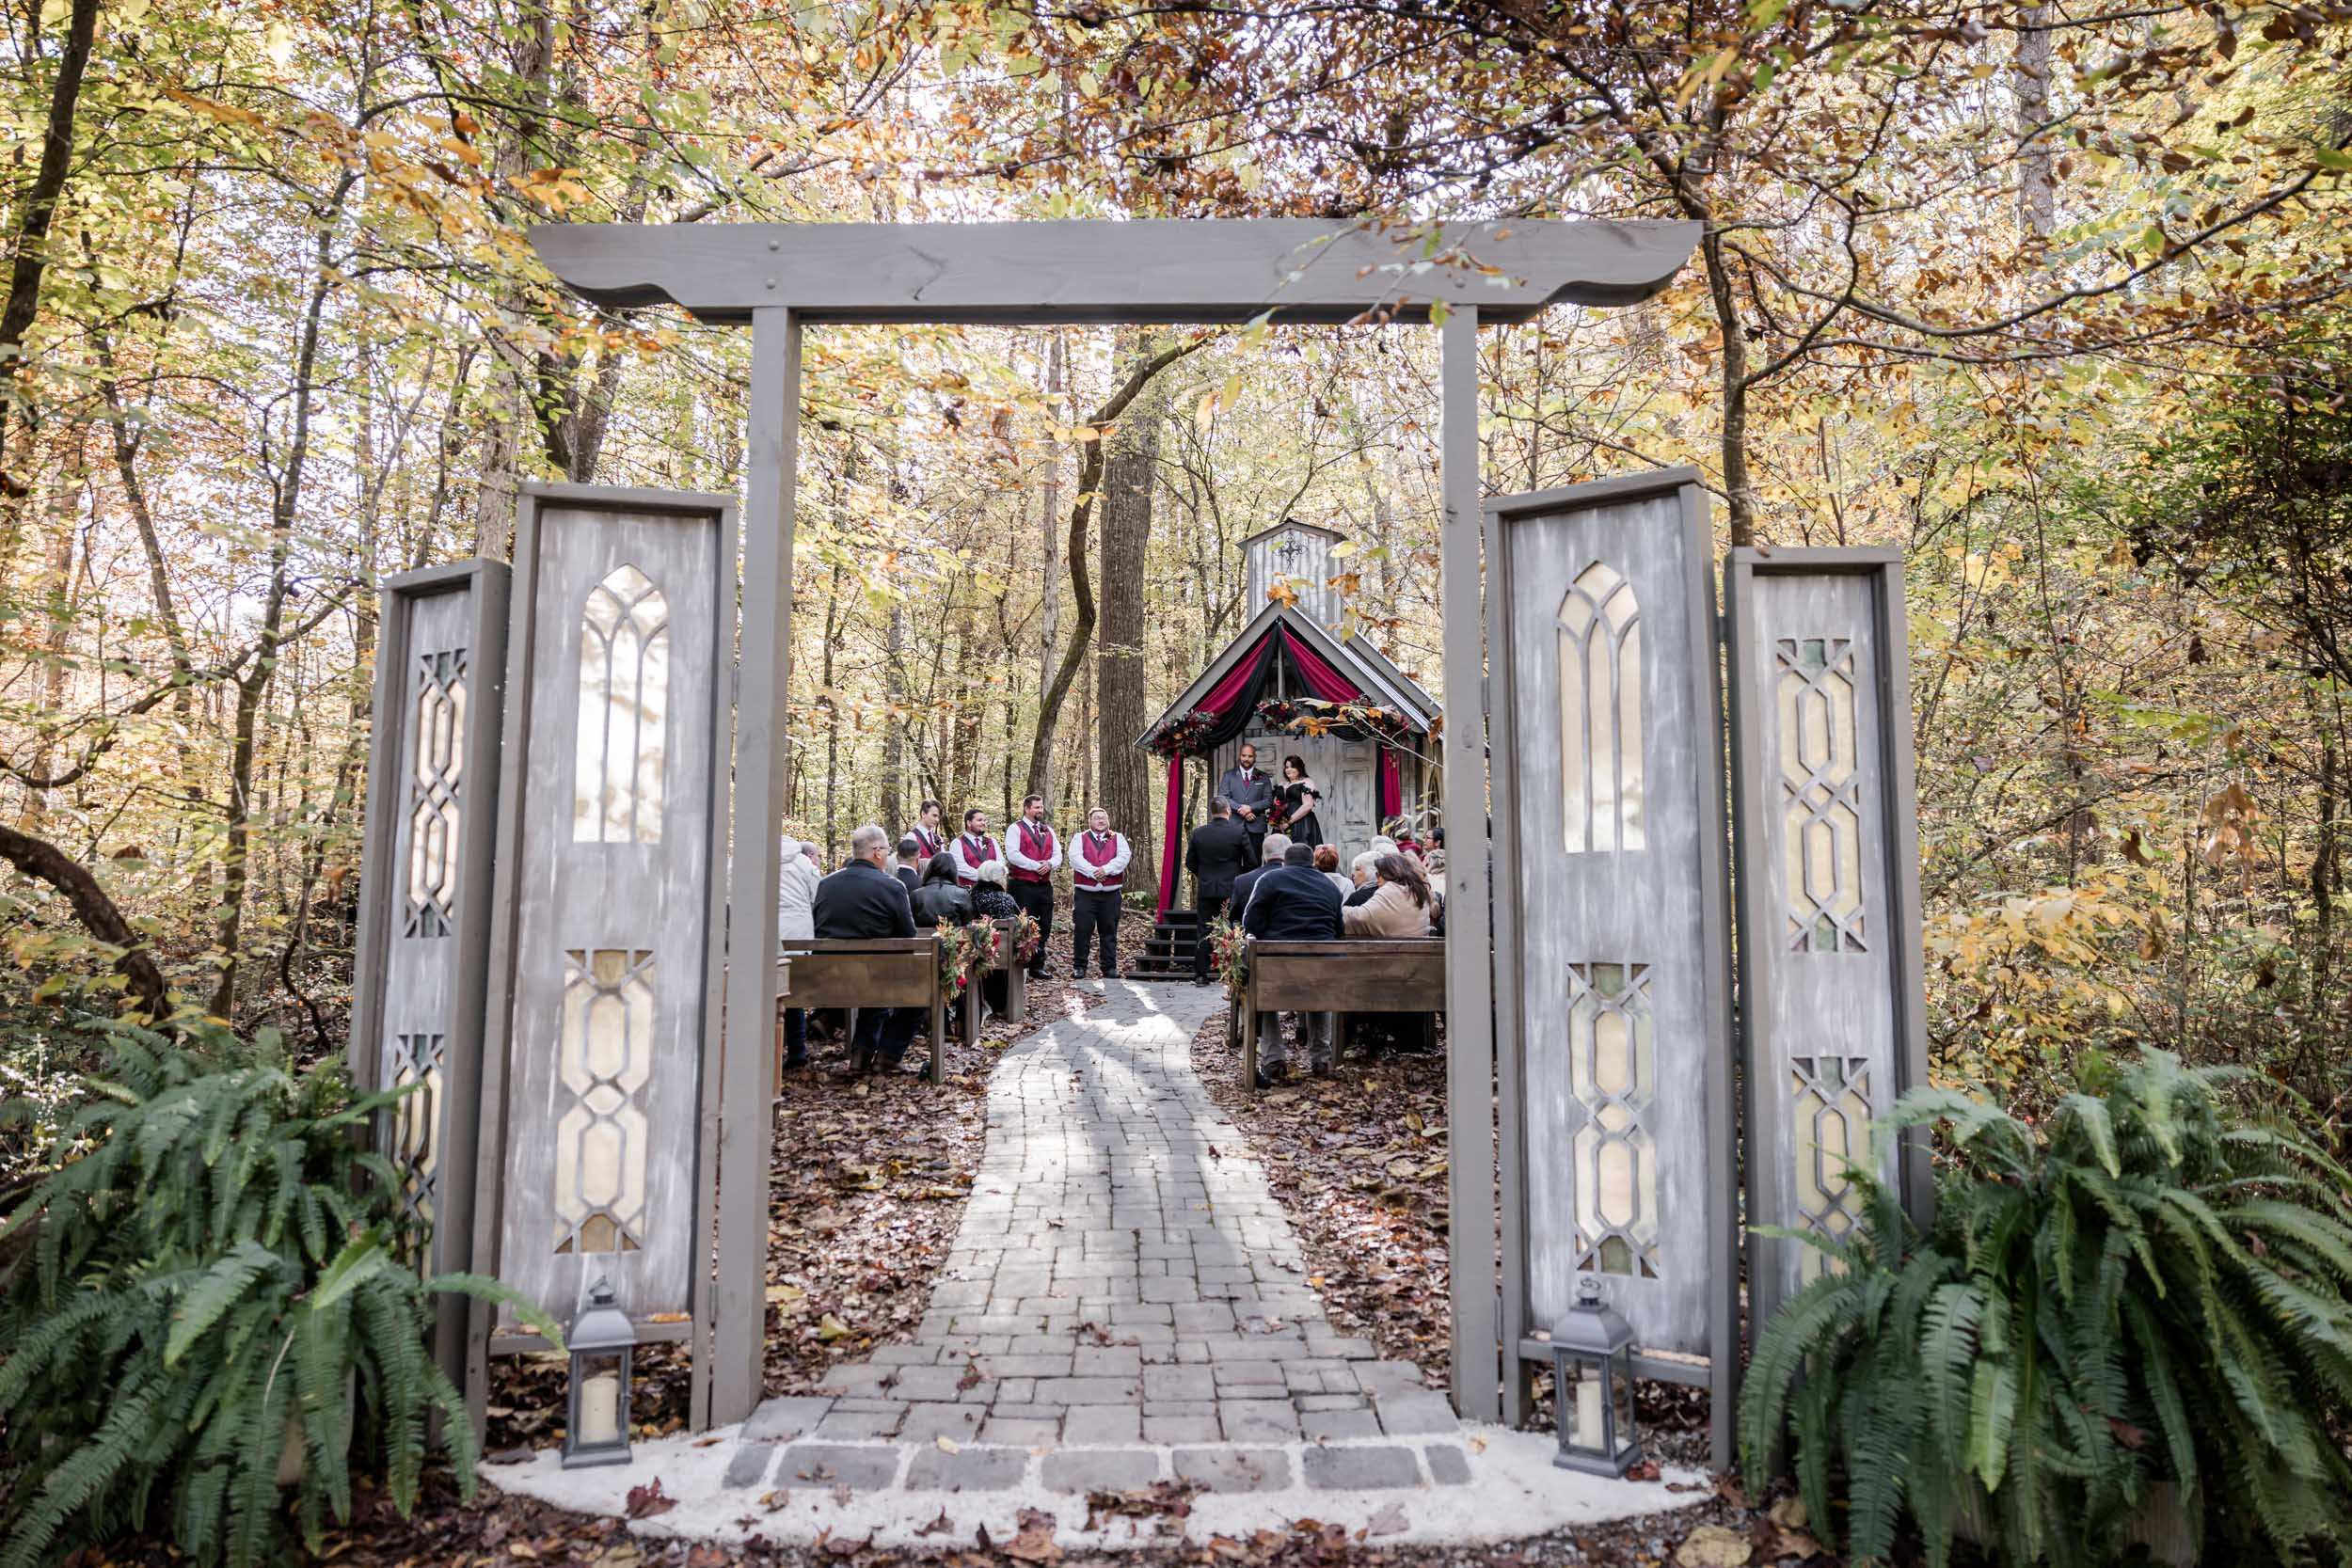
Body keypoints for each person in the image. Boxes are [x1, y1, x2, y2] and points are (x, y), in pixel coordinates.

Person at [811, 824, 920, 1072]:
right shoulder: (892, 886)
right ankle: (887, 1056)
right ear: (878, 852)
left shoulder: (826, 884)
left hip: (825, 976)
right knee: (919, 993)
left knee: (874, 985)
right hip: (875, 974)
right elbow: (908, 936)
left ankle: (861, 1055)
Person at [1240, 842, 1343, 1086]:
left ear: (1285, 861)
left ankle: (1274, 1058)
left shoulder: (1269, 881)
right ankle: (1321, 1057)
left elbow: (1251, 923)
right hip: (1322, 970)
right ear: (1312, 862)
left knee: (1261, 988)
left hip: (1278, 968)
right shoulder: (1331, 887)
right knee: (1319, 988)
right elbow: (1339, 929)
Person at [1185, 796, 1249, 985]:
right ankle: (1234, 971)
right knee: (1234, 927)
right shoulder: (1238, 832)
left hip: (1207, 887)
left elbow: (1190, 862)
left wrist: (1204, 875)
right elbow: (1252, 861)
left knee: (1204, 930)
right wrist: (1240, 877)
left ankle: (1201, 975)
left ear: (1212, 812)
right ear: (1228, 810)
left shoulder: (1199, 833)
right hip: (1232, 887)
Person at [775, 834, 823, 1069]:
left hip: (768, 932)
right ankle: (796, 1050)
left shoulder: (759, 860)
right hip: (799, 935)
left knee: (768, 992)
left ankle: (768, 1047)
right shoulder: (803, 864)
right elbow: (818, 897)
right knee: (794, 993)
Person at [1069, 806, 1131, 982]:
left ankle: (1109, 967)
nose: (1101, 821)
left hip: (1111, 894)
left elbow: (1124, 857)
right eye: (1097, 818)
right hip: (1085, 893)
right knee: (1082, 931)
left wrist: (1106, 870)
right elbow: (1075, 858)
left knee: (1109, 931)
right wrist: (1093, 872)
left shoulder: (1117, 837)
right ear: (1090, 821)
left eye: (1103, 818)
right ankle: (1080, 967)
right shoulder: (1079, 838)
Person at [1005, 793, 1061, 978]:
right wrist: (1036, 866)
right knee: (1023, 924)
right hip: (1022, 884)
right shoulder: (1015, 829)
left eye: (1041, 807)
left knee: (1044, 924)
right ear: (1027, 808)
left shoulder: (1048, 830)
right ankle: (1021, 965)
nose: (1040, 810)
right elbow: (1013, 854)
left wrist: (1050, 864)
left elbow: (1058, 854)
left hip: (1044, 886)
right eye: (1037, 807)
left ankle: (1038, 965)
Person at [968, 860, 1022, 1019]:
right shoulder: (1006, 899)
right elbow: (1020, 922)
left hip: (975, 952)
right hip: (1000, 952)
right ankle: (1003, 1005)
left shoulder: (970, 896)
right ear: (998, 879)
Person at [1344, 851, 1436, 938]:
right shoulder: (1417, 891)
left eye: (1378, 874)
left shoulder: (1392, 891)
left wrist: (1336, 910)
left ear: (1389, 874)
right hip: (1416, 952)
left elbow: (1360, 917)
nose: (1377, 880)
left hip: (1391, 953)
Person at [1218, 741, 1275, 869]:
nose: (1246, 759)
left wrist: (1250, 808)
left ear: (1255, 757)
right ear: (1240, 756)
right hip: (1234, 825)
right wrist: (1241, 809)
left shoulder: (1263, 777)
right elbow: (1223, 797)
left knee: (1254, 862)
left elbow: (1268, 800)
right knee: (1233, 862)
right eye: (1244, 756)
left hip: (1256, 826)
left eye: (1250, 756)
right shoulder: (1229, 775)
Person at [1230, 832, 1292, 928]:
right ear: (1289, 853)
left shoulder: (1242, 881)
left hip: (1255, 938)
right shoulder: (1301, 880)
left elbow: (1234, 918)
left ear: (1263, 855)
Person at [911, 851, 974, 927]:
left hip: (922, 937)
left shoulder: (916, 895)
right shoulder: (962, 894)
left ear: (930, 869)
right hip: (952, 938)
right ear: (953, 870)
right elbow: (967, 923)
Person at [1274, 754, 1323, 847]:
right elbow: (1276, 804)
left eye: (1293, 767)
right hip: (1281, 825)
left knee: (1300, 851)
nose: (1289, 769)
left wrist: (1288, 822)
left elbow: (1308, 805)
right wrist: (1276, 819)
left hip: (1301, 824)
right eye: (1287, 767)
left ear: (1299, 768)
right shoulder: (1282, 784)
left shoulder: (1307, 782)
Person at [950, 807, 1000, 888]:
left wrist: (995, 876)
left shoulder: (992, 841)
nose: (984, 823)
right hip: (968, 891)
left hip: (993, 889)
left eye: (985, 820)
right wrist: (984, 877)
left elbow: (1000, 862)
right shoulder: (957, 843)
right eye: (979, 820)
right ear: (969, 823)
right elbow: (959, 867)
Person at [910, 799, 947, 863]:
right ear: (923, 814)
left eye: (938, 817)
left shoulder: (939, 839)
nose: (937, 820)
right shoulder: (911, 837)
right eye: (934, 815)